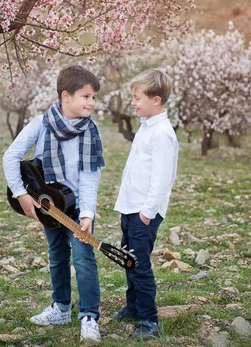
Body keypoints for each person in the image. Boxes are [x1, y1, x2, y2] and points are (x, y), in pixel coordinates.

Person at [3, 65, 104, 343]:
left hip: (77, 205)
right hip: (50, 203)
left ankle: (89, 317)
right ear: (65, 96)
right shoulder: (41, 123)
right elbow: (10, 156)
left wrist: (87, 214)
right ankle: (60, 308)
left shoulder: (91, 132)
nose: (91, 103)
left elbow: (89, 178)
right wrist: (21, 192)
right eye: (85, 96)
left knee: (83, 260)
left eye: (94, 97)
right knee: (56, 256)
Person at [112, 69, 179, 339]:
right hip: (130, 208)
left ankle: (149, 319)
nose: (133, 102)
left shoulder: (162, 133)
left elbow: (162, 179)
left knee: (139, 265)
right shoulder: (146, 127)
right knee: (129, 261)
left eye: (138, 98)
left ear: (156, 100)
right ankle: (133, 306)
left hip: (144, 213)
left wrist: (147, 214)